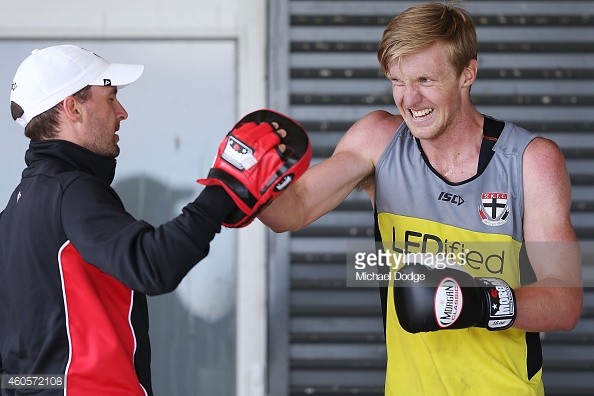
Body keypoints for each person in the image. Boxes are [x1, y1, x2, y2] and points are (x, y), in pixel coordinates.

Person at [259, 2, 583, 395]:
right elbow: (291, 211)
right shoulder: (379, 142)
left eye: (426, 80)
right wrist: (245, 187)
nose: (409, 100)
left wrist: (476, 302)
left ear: (468, 73)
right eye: (398, 81)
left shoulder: (530, 161)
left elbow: (566, 301)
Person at [0, 45, 310, 395]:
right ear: (73, 107)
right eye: (111, 97)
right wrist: (224, 189)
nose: (122, 112)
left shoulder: (13, 213)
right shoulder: (70, 191)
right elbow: (152, 265)